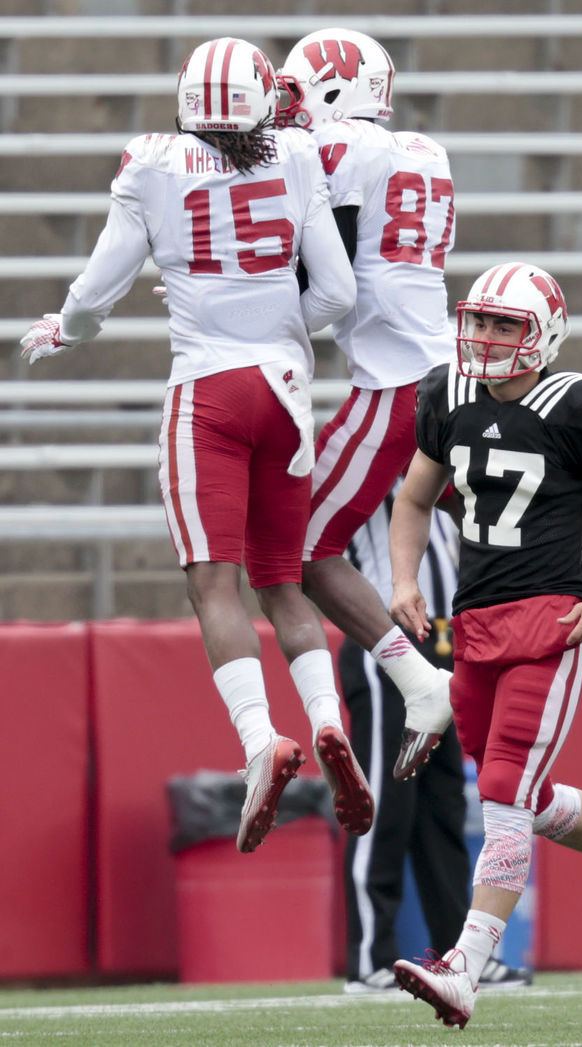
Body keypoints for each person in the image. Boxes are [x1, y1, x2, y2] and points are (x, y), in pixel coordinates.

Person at [19, 37, 374, 854]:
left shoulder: (150, 164)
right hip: (287, 393)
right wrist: (285, 333)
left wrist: (67, 331)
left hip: (207, 392)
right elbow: (340, 290)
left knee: (215, 586)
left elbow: (98, 285)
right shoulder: (292, 154)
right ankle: (326, 719)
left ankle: (261, 745)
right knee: (283, 580)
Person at [388, 262, 582, 1028]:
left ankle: (465, 965)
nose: (488, 338)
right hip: (475, 625)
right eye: (481, 321)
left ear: (544, 336)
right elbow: (414, 496)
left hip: (551, 623)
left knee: (501, 789)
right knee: (524, 794)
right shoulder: (446, 395)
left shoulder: (580, 404)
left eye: (506, 326)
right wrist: (402, 579)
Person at [276, 29, 457, 780]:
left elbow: (335, 271)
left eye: (296, 93)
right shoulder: (427, 151)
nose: (288, 110)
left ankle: (424, 684)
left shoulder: (344, 147)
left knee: (300, 552)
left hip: (395, 386)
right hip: (450, 369)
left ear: (331, 88)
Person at [340, 482, 532, 993]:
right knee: (383, 804)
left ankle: (459, 955)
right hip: (383, 643)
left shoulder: (446, 462)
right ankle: (369, 956)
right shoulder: (370, 460)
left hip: (446, 646)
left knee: (443, 809)